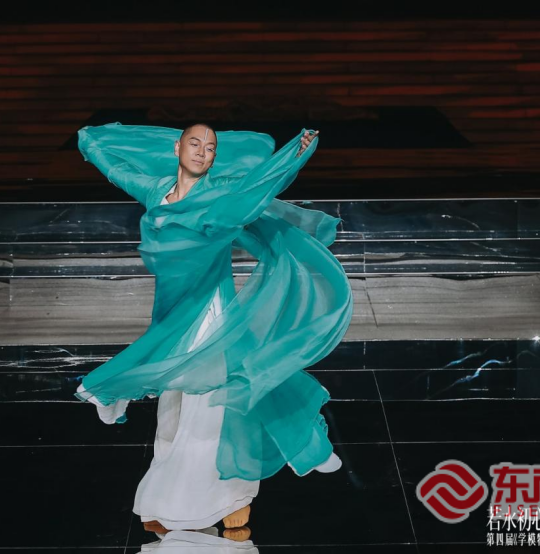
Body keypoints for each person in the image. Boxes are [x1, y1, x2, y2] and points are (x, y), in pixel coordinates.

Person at [74, 121, 353, 532]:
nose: (202, 152)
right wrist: (88, 141)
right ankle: (165, 498)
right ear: (177, 148)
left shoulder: (220, 193)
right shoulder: (156, 190)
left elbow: (261, 185)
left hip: (210, 315)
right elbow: (116, 169)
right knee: (173, 407)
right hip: (171, 315)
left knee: (210, 406)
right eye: (195, 143)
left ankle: (227, 498)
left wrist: (296, 153)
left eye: (210, 147)